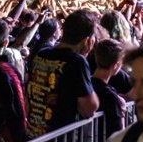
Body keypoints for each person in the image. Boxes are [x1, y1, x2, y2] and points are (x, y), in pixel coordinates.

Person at [26, 9, 99, 138]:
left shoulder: (42, 54)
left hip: (33, 133)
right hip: (59, 136)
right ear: (87, 40)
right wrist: (84, 57)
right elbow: (89, 108)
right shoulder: (77, 62)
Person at [92, 39, 126, 139]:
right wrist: (122, 111)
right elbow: (119, 135)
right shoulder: (110, 96)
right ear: (115, 65)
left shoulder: (86, 85)